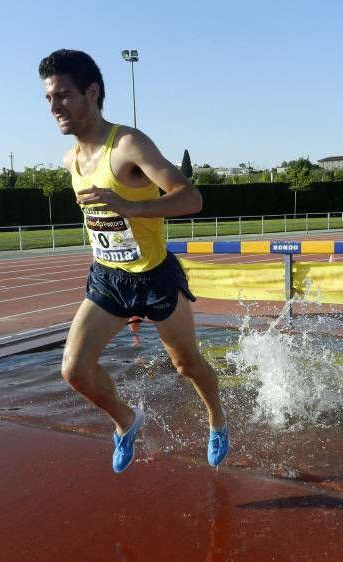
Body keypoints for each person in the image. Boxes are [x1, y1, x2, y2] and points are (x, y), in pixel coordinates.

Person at [39, 49, 228, 473]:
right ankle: (126, 421)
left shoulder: (127, 145)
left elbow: (191, 198)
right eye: (48, 99)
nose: (54, 107)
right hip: (109, 277)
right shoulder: (70, 159)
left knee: (186, 365)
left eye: (63, 95)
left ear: (93, 91)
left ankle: (217, 420)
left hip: (155, 276)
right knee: (74, 370)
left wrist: (129, 206)